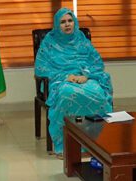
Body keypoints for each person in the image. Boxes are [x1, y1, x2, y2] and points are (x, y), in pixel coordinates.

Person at [35, 8, 113, 155]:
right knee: (67, 93)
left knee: (98, 93)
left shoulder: (82, 40)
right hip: (60, 80)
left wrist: (86, 75)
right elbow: (41, 68)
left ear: (74, 22)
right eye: (63, 22)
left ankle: (96, 142)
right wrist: (65, 76)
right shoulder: (49, 42)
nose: (67, 24)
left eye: (70, 20)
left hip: (84, 77)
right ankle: (67, 143)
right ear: (57, 25)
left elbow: (96, 62)